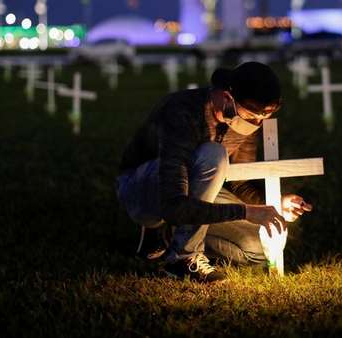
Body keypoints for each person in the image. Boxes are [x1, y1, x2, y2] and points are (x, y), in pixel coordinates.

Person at [117, 62, 313, 283]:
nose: (256, 123)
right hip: (148, 188)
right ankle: (182, 259)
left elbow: (240, 184)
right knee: (214, 153)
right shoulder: (182, 111)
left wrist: (274, 204)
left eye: (263, 118)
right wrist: (246, 212)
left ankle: (171, 236)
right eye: (252, 116)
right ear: (227, 96)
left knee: (257, 247)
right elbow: (173, 204)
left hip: (198, 191)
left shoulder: (246, 123)